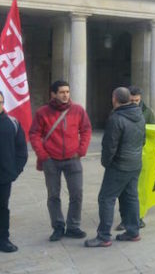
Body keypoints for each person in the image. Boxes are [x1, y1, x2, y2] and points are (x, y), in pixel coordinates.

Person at [29, 80, 92, 242]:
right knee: (53, 195)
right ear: (53, 94)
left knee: (77, 193)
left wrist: (81, 149)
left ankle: (73, 226)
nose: (65, 95)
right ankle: (58, 226)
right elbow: (34, 134)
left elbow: (86, 129)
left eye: (67, 92)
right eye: (62, 92)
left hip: (73, 159)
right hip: (51, 160)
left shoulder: (77, 110)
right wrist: (43, 155)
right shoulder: (43, 112)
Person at [85, 87, 145, 248]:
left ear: (114, 99)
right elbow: (142, 140)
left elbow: (109, 145)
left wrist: (106, 163)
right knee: (131, 197)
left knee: (106, 198)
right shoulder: (139, 115)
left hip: (119, 165)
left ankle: (104, 236)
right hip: (135, 163)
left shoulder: (116, 118)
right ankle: (133, 231)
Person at [116, 86, 154, 230]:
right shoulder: (119, 112)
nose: (134, 103)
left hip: (142, 157)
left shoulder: (148, 113)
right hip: (123, 158)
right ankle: (125, 219)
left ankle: (138, 217)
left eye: (136, 100)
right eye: (131, 100)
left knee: (138, 190)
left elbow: (154, 132)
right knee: (123, 191)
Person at [0, 91, 28, 253]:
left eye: (0, 102)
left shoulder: (12, 123)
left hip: (4, 177)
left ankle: (3, 239)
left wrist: (14, 171)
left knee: (2, 208)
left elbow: (21, 151)